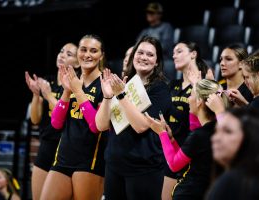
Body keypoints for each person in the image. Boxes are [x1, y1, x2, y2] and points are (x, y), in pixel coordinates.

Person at [96, 35, 172, 200]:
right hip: (114, 165)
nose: (144, 57)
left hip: (143, 169)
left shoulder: (160, 90)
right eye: (140, 52)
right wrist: (108, 97)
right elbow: (101, 125)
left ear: (157, 62)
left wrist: (121, 96)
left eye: (150, 55)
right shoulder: (123, 83)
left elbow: (141, 126)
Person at [40, 34, 107, 200]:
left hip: (88, 162)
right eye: (83, 50)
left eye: (93, 51)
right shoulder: (73, 80)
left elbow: (96, 126)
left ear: (101, 55)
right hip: (62, 157)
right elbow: (56, 123)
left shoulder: (104, 84)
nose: (87, 55)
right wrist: (67, 91)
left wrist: (77, 91)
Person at [145, 79, 231, 200]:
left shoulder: (200, 135)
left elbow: (175, 165)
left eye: (191, 95)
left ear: (199, 102)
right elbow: (193, 130)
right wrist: (171, 139)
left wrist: (161, 133)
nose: (188, 98)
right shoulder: (214, 129)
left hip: (191, 194)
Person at [25, 42, 78, 200]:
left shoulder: (76, 86)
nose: (62, 55)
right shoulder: (47, 82)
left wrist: (48, 96)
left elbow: (67, 116)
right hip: (46, 146)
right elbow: (35, 119)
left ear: (77, 62)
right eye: (61, 51)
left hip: (65, 148)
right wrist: (36, 94)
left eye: (69, 54)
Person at [163, 41, 209, 200]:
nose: (174, 55)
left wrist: (172, 111)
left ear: (193, 54)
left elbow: (201, 119)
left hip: (190, 152)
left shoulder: (205, 82)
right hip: (169, 148)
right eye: (173, 52)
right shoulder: (173, 84)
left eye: (179, 51)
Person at [207, 107, 259, 200]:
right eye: (216, 132)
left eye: (227, 131)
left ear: (250, 137)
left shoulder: (232, 183)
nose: (215, 138)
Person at [212, 48, 259, 147]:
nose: (245, 82)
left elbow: (240, 142)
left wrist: (219, 111)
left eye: (247, 77)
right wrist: (245, 104)